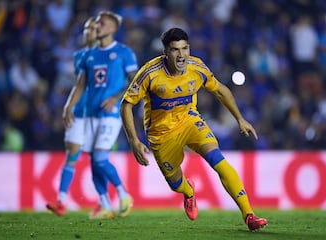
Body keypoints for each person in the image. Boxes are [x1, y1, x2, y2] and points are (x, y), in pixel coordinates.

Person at [120, 28, 268, 232]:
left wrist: (240, 119)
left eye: (184, 48)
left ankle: (249, 215)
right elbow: (126, 104)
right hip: (161, 134)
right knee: (175, 183)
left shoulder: (196, 67)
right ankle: (188, 192)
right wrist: (134, 141)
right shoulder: (150, 73)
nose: (181, 55)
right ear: (165, 52)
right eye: (175, 50)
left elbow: (221, 90)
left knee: (218, 160)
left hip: (190, 121)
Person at [61, 11, 138, 219]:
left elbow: (136, 82)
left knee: (101, 157)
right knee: (94, 159)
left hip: (111, 113)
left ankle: (123, 194)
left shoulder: (124, 52)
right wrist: (69, 106)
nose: (97, 27)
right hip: (91, 114)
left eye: (102, 24)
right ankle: (105, 203)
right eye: (97, 24)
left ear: (113, 29)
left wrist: (116, 98)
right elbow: (80, 85)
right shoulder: (89, 55)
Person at [46, 16, 107, 217]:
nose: (88, 32)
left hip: (97, 115)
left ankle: (104, 201)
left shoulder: (107, 56)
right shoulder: (79, 55)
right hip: (79, 113)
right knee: (71, 154)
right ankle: (61, 201)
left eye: (92, 28)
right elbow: (78, 85)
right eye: (86, 28)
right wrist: (69, 105)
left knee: (97, 159)